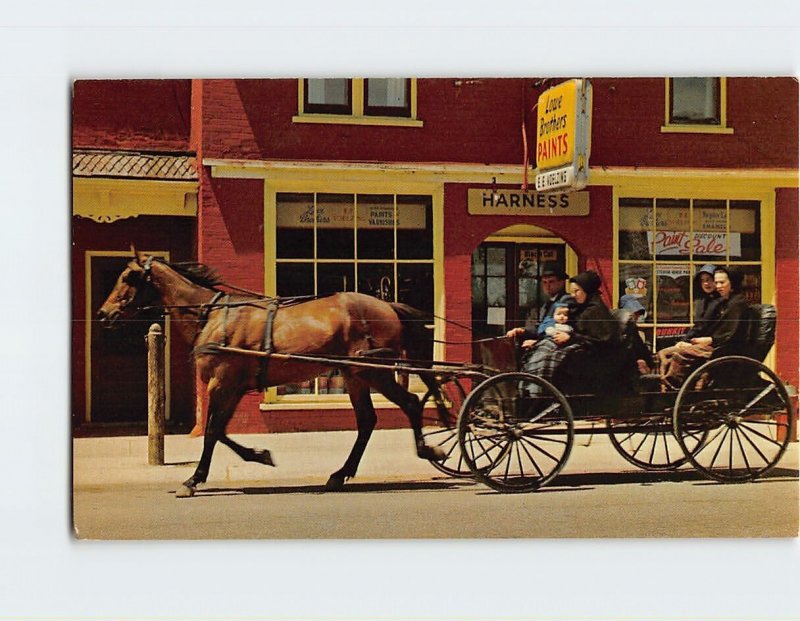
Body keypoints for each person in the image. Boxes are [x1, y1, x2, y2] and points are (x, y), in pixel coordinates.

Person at [522, 270, 622, 394]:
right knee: (540, 349)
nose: (573, 295)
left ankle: (541, 392)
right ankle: (529, 388)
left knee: (549, 356)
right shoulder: (579, 308)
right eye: (572, 291)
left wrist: (570, 337)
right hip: (575, 344)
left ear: (587, 291)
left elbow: (602, 341)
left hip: (593, 356)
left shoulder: (596, 311)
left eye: (577, 291)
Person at [661, 266, 751, 389]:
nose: (718, 286)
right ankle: (669, 384)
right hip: (717, 345)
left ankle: (674, 386)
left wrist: (709, 340)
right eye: (717, 282)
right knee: (668, 353)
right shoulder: (726, 302)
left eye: (722, 282)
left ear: (732, 283)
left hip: (727, 349)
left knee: (682, 353)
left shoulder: (737, 304)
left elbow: (731, 333)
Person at [657, 264, 720, 377]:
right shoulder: (703, 301)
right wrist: (684, 341)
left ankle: (672, 383)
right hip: (696, 343)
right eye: (703, 281)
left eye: (709, 280)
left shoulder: (720, 302)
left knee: (677, 354)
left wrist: (690, 343)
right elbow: (698, 326)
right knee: (662, 353)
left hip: (711, 346)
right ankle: (662, 382)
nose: (706, 283)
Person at [506, 261, 573, 344]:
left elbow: (556, 330)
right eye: (544, 282)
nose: (547, 286)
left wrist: (536, 343)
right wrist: (523, 330)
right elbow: (541, 327)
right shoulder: (547, 304)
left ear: (561, 282)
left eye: (551, 282)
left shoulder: (566, 301)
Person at [617, 294, 652, 375]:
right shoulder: (619, 328)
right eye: (634, 312)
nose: (637, 316)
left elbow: (642, 351)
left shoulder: (632, 328)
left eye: (638, 313)